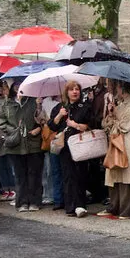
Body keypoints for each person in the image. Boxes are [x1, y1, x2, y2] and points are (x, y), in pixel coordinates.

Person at [102, 79, 130, 219]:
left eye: (118, 87)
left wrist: (114, 119)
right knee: (115, 174)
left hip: (128, 144)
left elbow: (125, 126)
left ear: (123, 88)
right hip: (118, 143)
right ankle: (115, 207)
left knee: (127, 176)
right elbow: (108, 124)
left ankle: (129, 210)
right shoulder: (121, 104)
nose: (116, 90)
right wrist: (112, 113)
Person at [50, 81, 92, 217]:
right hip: (65, 146)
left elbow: (89, 125)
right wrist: (59, 115)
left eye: (77, 89)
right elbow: (52, 126)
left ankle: (80, 205)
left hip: (80, 144)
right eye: (71, 89)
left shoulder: (85, 106)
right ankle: (70, 207)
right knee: (68, 175)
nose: (75, 92)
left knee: (80, 174)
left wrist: (75, 124)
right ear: (66, 92)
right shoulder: (60, 107)